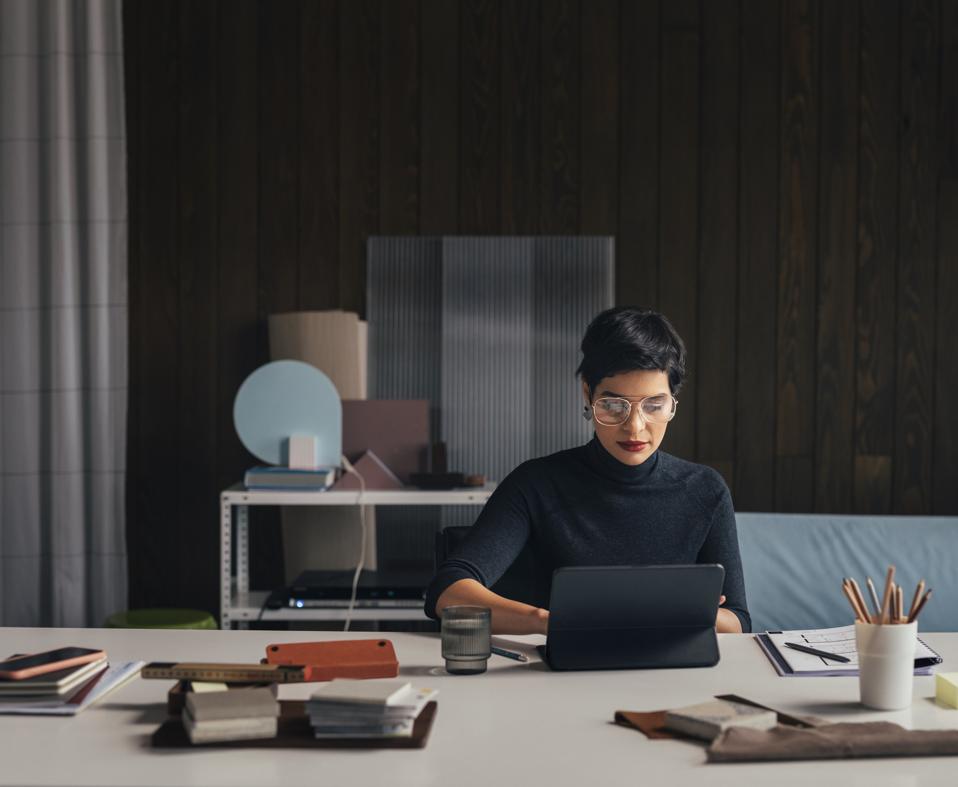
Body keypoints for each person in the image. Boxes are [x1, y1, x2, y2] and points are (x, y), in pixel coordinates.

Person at [424, 306, 750, 635]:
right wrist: (550, 621)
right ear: (587, 393)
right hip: (564, 671)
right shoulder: (536, 484)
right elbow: (448, 592)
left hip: (672, 673)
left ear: (673, 402)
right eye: (613, 405)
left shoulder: (705, 489)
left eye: (654, 405)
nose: (635, 427)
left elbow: (737, 622)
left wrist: (672, 608)